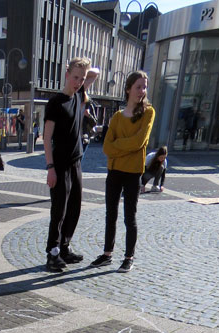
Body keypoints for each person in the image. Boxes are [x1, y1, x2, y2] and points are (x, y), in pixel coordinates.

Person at [89, 71, 155, 273]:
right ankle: (107, 254)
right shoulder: (117, 117)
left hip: (133, 172)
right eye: (138, 87)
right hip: (114, 171)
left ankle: (128, 257)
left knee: (129, 217)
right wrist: (124, 147)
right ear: (128, 89)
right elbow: (106, 148)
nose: (142, 91)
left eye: (144, 87)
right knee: (111, 214)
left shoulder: (148, 113)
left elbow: (139, 142)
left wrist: (118, 146)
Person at [43, 56, 91, 273]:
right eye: (75, 77)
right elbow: (46, 138)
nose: (79, 82)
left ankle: (64, 247)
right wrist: (50, 168)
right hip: (60, 165)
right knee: (59, 211)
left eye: (82, 79)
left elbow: (95, 73)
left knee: (74, 208)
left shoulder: (79, 95)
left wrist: (84, 68)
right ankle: (52, 253)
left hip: (76, 162)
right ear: (66, 75)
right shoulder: (56, 103)